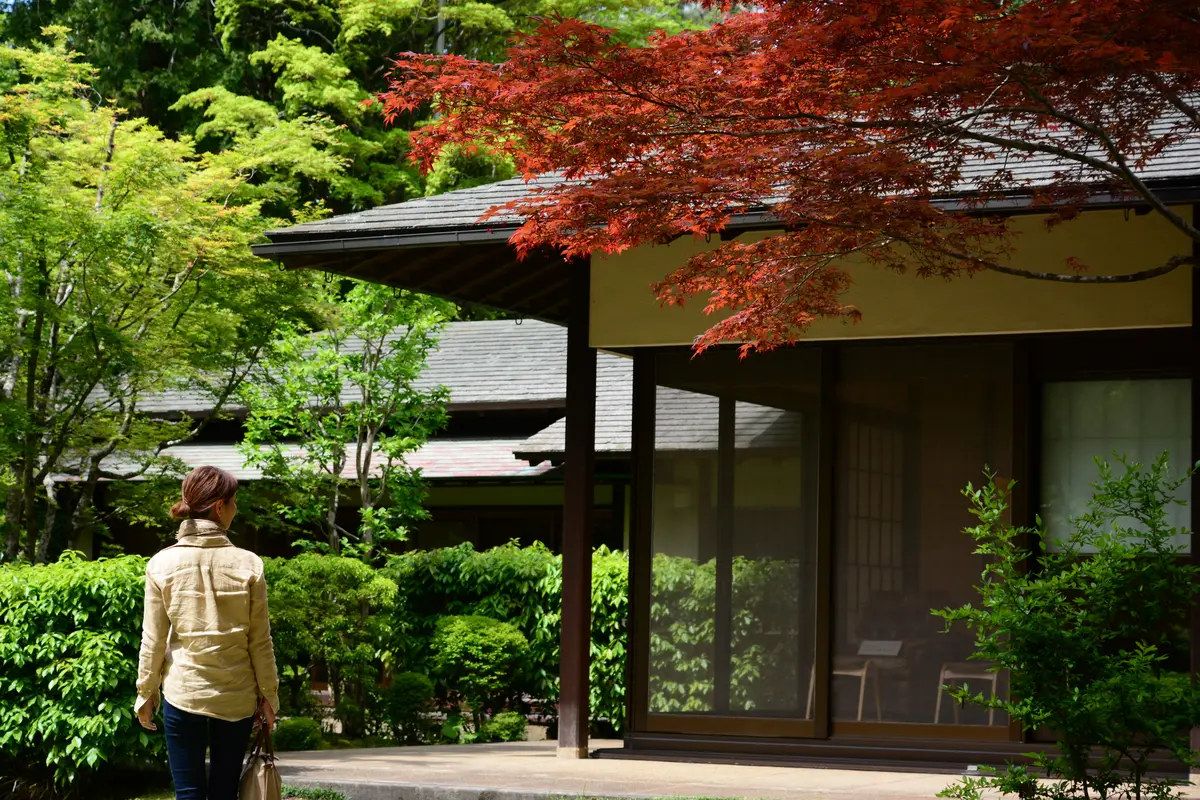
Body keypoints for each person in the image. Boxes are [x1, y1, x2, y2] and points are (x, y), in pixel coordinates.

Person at [134, 465, 280, 800]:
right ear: (219, 507)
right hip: (237, 696)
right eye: (234, 502)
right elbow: (260, 641)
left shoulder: (160, 564)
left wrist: (145, 692)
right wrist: (269, 695)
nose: (236, 509)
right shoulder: (249, 564)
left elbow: (153, 639)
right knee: (225, 792)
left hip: (183, 693)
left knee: (188, 795)